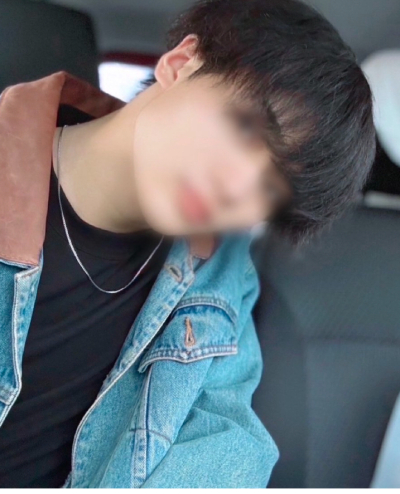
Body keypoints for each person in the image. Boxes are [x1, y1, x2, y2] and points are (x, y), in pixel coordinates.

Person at [0, 0, 376, 488]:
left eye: (269, 189)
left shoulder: (219, 276)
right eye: (247, 129)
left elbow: (229, 445)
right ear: (181, 65)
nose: (236, 188)